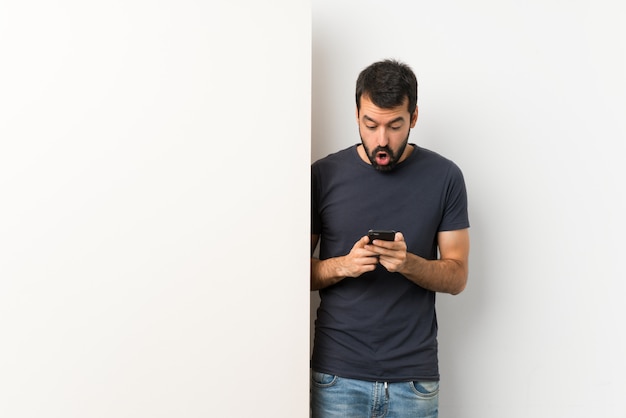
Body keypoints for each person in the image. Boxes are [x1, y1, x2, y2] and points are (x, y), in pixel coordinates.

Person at [310, 59, 470, 418]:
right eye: (371, 124)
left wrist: (408, 263)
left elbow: (458, 276)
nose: (381, 139)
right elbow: (291, 275)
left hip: (413, 381)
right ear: (356, 115)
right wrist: (344, 266)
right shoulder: (322, 175)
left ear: (413, 117)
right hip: (336, 377)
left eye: (395, 125)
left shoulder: (445, 177)